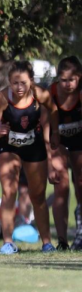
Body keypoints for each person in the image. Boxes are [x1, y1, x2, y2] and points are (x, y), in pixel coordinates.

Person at [0, 60, 55, 254]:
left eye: (23, 83)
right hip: (8, 146)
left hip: (34, 147)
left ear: (31, 81)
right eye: (15, 83)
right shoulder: (1, 99)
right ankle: (8, 242)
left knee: (38, 195)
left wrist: (54, 134)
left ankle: (47, 243)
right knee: (9, 191)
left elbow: (54, 111)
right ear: (9, 82)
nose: (19, 87)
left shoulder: (40, 95)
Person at [48, 56, 82, 250]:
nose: (68, 84)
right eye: (64, 80)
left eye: (72, 80)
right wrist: (50, 160)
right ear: (58, 78)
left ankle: (80, 233)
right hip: (57, 140)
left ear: (79, 78)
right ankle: (62, 241)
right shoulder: (50, 94)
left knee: (80, 183)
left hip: (79, 140)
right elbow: (46, 131)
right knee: (61, 186)